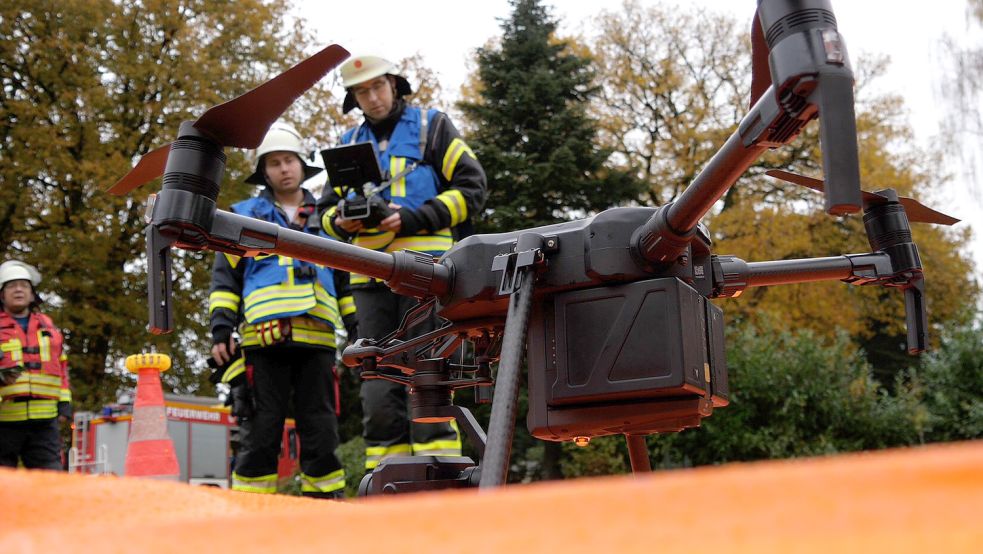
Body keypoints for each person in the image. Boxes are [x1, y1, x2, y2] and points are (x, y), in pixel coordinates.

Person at [319, 55, 488, 474]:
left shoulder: (433, 127)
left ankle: (443, 478)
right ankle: (386, 485)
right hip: (370, 277)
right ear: (352, 98)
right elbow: (323, 215)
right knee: (377, 384)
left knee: (429, 375)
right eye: (362, 91)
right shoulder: (345, 143)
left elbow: (473, 188)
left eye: (378, 87)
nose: (372, 98)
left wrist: (412, 217)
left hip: (427, 275)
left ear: (395, 85)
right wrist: (341, 220)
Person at [208, 120, 356, 498]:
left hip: (318, 340)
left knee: (321, 429)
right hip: (263, 342)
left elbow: (344, 280)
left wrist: (357, 328)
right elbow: (225, 281)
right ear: (264, 172)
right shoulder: (241, 216)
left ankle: (323, 509)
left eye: (289, 160)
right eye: (274, 163)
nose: (283, 168)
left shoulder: (328, 218)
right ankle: (248, 513)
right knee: (260, 429)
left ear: (302, 164)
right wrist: (221, 329)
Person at [0, 260, 72, 470]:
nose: (19, 290)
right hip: (4, 420)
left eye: (24, 285)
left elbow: (61, 367)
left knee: (50, 481)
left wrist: (65, 403)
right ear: (2, 294)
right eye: (12, 286)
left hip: (44, 422)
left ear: (32, 294)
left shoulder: (48, 328)